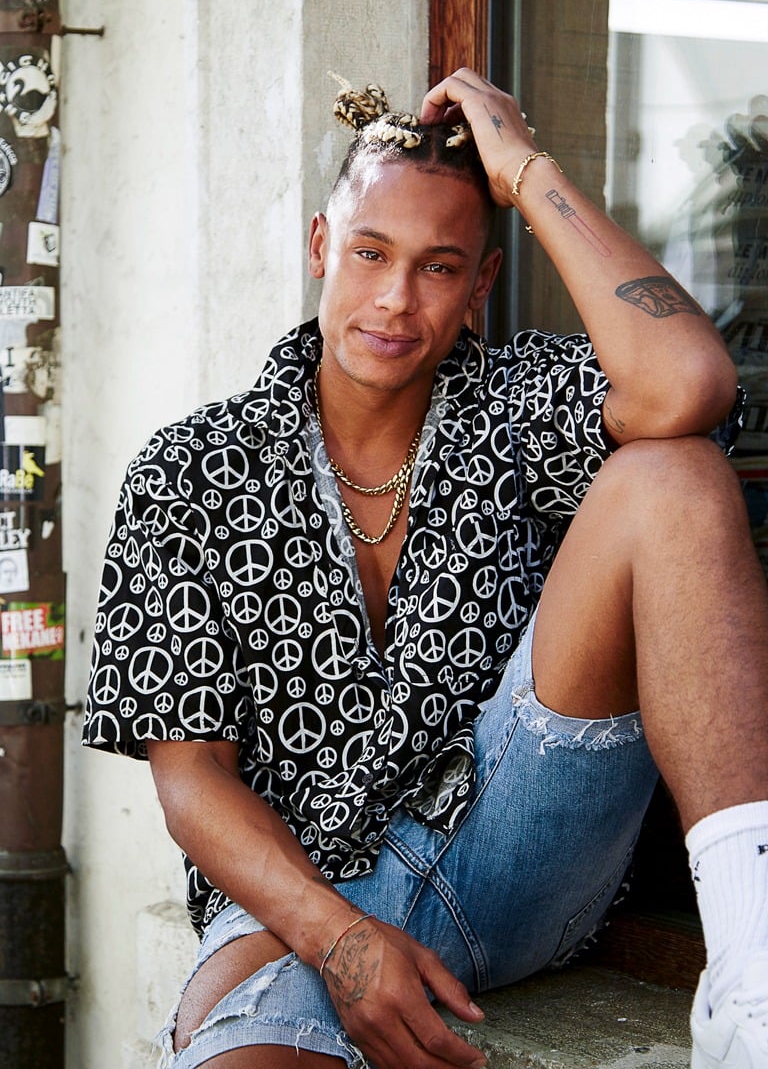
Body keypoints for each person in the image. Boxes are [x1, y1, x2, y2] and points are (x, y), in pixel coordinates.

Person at [83, 68, 768, 1069]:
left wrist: (523, 166)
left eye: (439, 268)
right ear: (321, 246)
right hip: (299, 894)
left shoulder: (516, 405)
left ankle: (751, 979)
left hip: (516, 840)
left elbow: (689, 382)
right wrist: (341, 939)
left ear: (480, 286)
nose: (395, 300)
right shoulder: (191, 468)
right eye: (370, 253)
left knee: (674, 474)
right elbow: (190, 777)